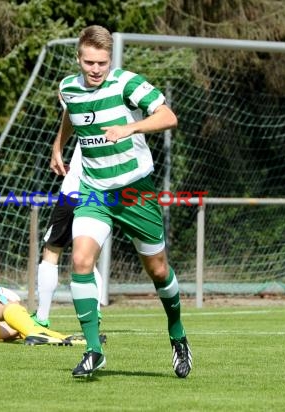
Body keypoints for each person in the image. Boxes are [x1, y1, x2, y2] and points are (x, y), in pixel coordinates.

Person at [50, 25, 193, 378]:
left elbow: (168, 116)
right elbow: (72, 112)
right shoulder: (68, 88)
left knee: (158, 271)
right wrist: (58, 145)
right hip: (95, 191)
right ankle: (94, 351)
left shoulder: (126, 83)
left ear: (109, 59)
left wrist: (131, 128)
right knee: (81, 261)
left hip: (134, 192)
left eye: (101, 62)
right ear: (79, 59)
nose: (95, 69)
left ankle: (177, 334)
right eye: (88, 62)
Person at [31, 141, 104, 329]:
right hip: (101, 197)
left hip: (73, 193)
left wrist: (57, 148)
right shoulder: (121, 119)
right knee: (88, 257)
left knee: (52, 251)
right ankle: (94, 312)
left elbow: (68, 114)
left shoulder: (81, 113)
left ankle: (41, 316)